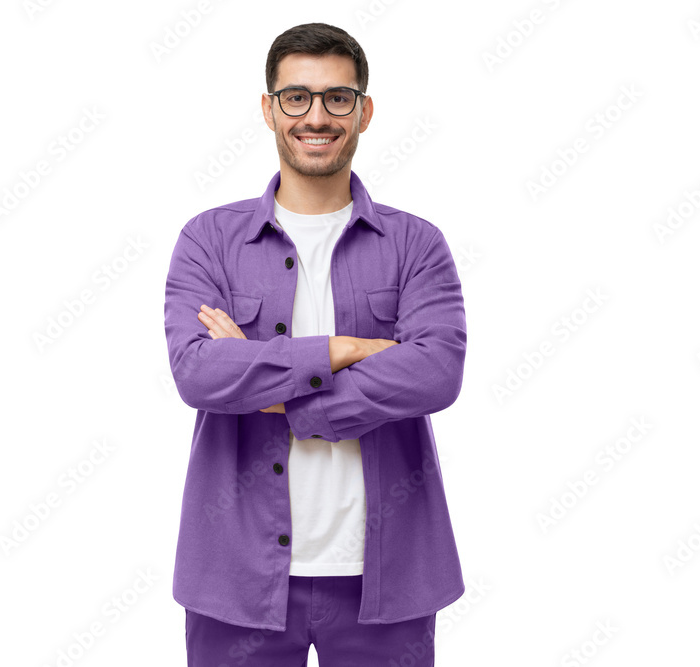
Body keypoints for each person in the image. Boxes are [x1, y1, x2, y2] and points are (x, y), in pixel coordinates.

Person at [164, 22, 467, 666]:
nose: (317, 116)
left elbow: (437, 372)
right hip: (235, 580)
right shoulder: (208, 241)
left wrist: (269, 390)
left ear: (364, 112)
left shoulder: (416, 245)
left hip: (386, 581)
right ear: (269, 108)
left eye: (337, 98)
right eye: (297, 97)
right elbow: (197, 374)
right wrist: (346, 349)